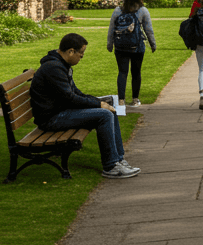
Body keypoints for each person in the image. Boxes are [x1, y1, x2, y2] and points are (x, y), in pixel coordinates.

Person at [31, 33, 139, 178]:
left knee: (109, 111)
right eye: (80, 54)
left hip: (60, 112)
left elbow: (75, 93)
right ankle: (111, 166)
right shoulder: (54, 68)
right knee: (105, 115)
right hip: (51, 118)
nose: (81, 58)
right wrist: (98, 104)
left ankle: (119, 159)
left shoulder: (60, 64)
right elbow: (70, 99)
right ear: (70, 51)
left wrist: (100, 103)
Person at [107, 0, 155, 107]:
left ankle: (121, 100)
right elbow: (148, 30)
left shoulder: (118, 10)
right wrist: (152, 44)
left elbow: (111, 28)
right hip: (137, 47)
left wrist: (110, 44)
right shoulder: (142, 11)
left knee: (122, 72)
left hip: (120, 47)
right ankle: (135, 99)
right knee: (136, 73)